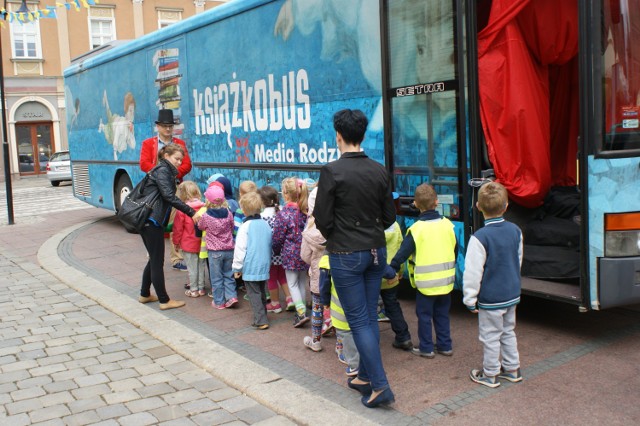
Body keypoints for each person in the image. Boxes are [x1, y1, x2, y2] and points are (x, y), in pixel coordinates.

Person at [314, 109, 397, 408]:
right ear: (362, 135)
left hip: (345, 253)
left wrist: (343, 234)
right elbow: (389, 217)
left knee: (358, 320)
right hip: (377, 251)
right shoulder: (379, 169)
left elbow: (322, 218)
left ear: (338, 135)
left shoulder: (332, 171)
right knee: (369, 318)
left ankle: (380, 386)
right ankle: (363, 375)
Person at [463, 181, 523, 388]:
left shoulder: (480, 237)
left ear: (478, 207)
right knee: (508, 331)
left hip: (491, 298)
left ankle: (490, 374)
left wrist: (470, 299)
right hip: (511, 292)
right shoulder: (516, 230)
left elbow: (472, 272)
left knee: (490, 336)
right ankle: (513, 369)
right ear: (506, 206)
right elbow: (518, 260)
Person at [387, 184, 456, 359]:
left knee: (424, 315)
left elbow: (402, 254)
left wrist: (391, 269)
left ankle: (426, 348)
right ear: (437, 202)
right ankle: (445, 345)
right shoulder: (448, 225)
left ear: (416, 204)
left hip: (425, 284)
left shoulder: (417, 229)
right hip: (446, 282)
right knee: (442, 314)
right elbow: (454, 249)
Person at [138, 144, 200, 310]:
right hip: (152, 221)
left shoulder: (163, 170)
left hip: (149, 220)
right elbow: (169, 196)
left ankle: (144, 294)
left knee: (153, 258)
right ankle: (164, 300)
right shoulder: (163, 171)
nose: (179, 162)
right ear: (166, 156)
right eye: (176, 158)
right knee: (157, 261)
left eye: (181, 159)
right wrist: (191, 212)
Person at [140, 109, 192, 272]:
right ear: (158, 127)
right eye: (164, 126)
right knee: (154, 220)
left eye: (170, 126)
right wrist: (160, 175)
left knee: (176, 221)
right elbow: (144, 163)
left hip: (174, 186)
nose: (168, 129)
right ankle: (153, 252)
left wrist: (173, 174)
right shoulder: (149, 143)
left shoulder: (179, 143)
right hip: (154, 190)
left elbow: (187, 164)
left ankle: (177, 258)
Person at [272, 177, 310, 328]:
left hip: (290, 254)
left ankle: (300, 312)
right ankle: (302, 309)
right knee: (301, 281)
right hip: (305, 252)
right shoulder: (306, 211)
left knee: (292, 283)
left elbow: (278, 237)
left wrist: (275, 250)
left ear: (285, 194)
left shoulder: (283, 214)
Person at [233, 192, 273, 330]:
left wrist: (237, 268)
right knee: (262, 291)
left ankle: (261, 319)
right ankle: (263, 315)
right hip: (264, 263)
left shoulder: (245, 227)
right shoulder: (265, 224)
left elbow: (240, 249)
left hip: (250, 266)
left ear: (243, 210)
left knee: (253, 293)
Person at [318, 255, 360, 377]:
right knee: (361, 329)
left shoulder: (327, 260)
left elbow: (324, 283)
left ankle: (354, 363)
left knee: (345, 333)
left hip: (340, 305)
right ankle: (365, 359)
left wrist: (325, 301)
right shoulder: (360, 252)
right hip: (360, 301)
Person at [301, 181, 330, 351]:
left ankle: (316, 341)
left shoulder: (310, 232)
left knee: (317, 309)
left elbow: (304, 255)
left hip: (318, 278)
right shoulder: (337, 227)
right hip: (335, 275)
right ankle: (341, 346)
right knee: (337, 311)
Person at [197, 185, 237, 310]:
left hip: (214, 252)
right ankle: (231, 297)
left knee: (216, 278)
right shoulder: (229, 213)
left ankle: (219, 302)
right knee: (228, 275)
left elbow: (200, 227)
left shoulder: (206, 216)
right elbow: (232, 226)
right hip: (229, 249)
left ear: (208, 200)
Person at [258, 185, 294, 313]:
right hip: (283, 251)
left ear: (261, 201)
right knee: (282, 275)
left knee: (272, 277)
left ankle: (275, 303)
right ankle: (290, 299)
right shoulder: (282, 212)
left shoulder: (261, 216)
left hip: (270, 253)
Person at [380, 220, 413, 351]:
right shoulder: (394, 225)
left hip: (372, 274)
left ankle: (370, 342)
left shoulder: (368, 221)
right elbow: (400, 249)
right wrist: (399, 271)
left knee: (369, 308)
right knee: (392, 305)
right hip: (391, 272)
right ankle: (403, 337)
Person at [173, 181, 207, 297]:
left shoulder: (182, 210)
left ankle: (193, 290)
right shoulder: (204, 208)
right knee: (201, 266)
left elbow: (178, 229)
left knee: (192, 268)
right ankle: (201, 288)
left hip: (188, 244)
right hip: (202, 243)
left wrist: (176, 243)